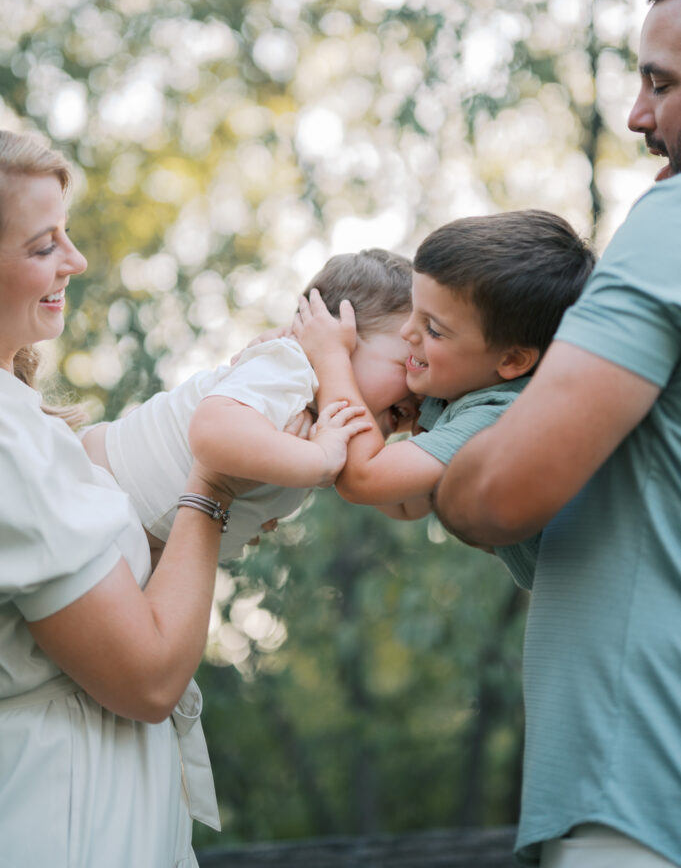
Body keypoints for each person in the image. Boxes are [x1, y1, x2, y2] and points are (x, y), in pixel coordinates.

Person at [432, 0, 681, 867]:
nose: (637, 115)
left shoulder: (669, 225)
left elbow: (499, 493)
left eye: (662, 84)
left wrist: (449, 437)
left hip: (639, 786)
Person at [0, 129, 252, 868]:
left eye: (66, 233)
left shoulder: (24, 420)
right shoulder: (6, 443)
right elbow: (148, 677)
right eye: (43, 245)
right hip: (61, 817)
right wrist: (211, 487)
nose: (75, 260)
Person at [293, 210, 594, 590]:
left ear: (512, 361)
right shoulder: (458, 395)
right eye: (414, 313)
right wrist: (290, 355)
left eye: (432, 328)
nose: (408, 332)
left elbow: (364, 477)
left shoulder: (500, 415)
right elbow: (406, 503)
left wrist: (330, 359)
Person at [81, 249, 419, 563]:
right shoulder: (292, 366)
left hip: (129, 542)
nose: (419, 389)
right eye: (411, 362)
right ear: (335, 335)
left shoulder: (330, 430)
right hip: (92, 486)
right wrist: (319, 458)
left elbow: (404, 499)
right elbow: (211, 432)